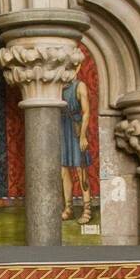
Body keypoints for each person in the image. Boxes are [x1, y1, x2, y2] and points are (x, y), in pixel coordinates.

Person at [61, 71, 92, 224]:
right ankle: (69, 208)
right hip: (62, 130)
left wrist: (83, 136)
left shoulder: (80, 86)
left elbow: (86, 112)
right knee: (64, 170)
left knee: (81, 170)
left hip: (76, 129)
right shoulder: (58, 87)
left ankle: (87, 209)